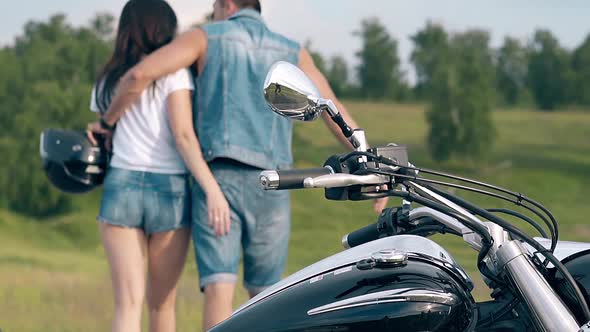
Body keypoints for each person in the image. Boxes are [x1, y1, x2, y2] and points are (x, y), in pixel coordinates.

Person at [88, 0, 388, 330]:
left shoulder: (204, 37)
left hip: (220, 180)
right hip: (274, 183)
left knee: (219, 291)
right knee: (267, 295)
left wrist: (107, 122)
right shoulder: (292, 50)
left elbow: (141, 73)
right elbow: (332, 110)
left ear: (227, 5)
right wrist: (371, 162)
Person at [88, 1, 229, 331]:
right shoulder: (175, 73)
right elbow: (183, 135)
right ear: (165, 29)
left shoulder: (108, 79)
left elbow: (104, 136)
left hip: (121, 185)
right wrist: (211, 189)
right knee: (162, 305)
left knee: (127, 306)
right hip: (170, 191)